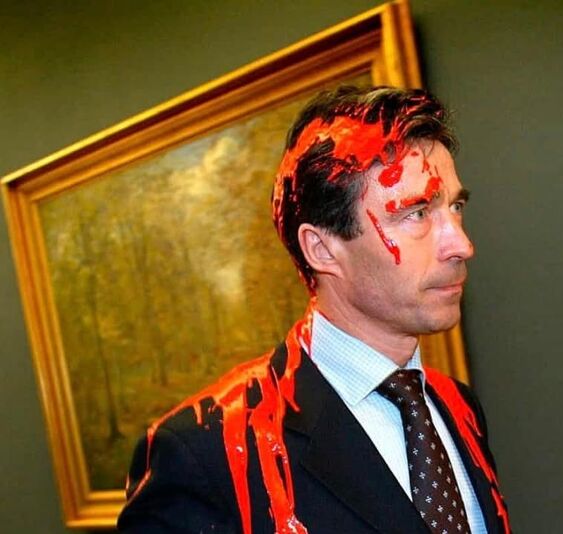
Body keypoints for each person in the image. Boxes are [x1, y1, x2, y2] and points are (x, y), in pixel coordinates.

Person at [118, 86, 511, 534]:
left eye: (455, 207)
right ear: (322, 250)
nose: (461, 244)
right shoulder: (207, 454)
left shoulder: (458, 408)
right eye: (416, 213)